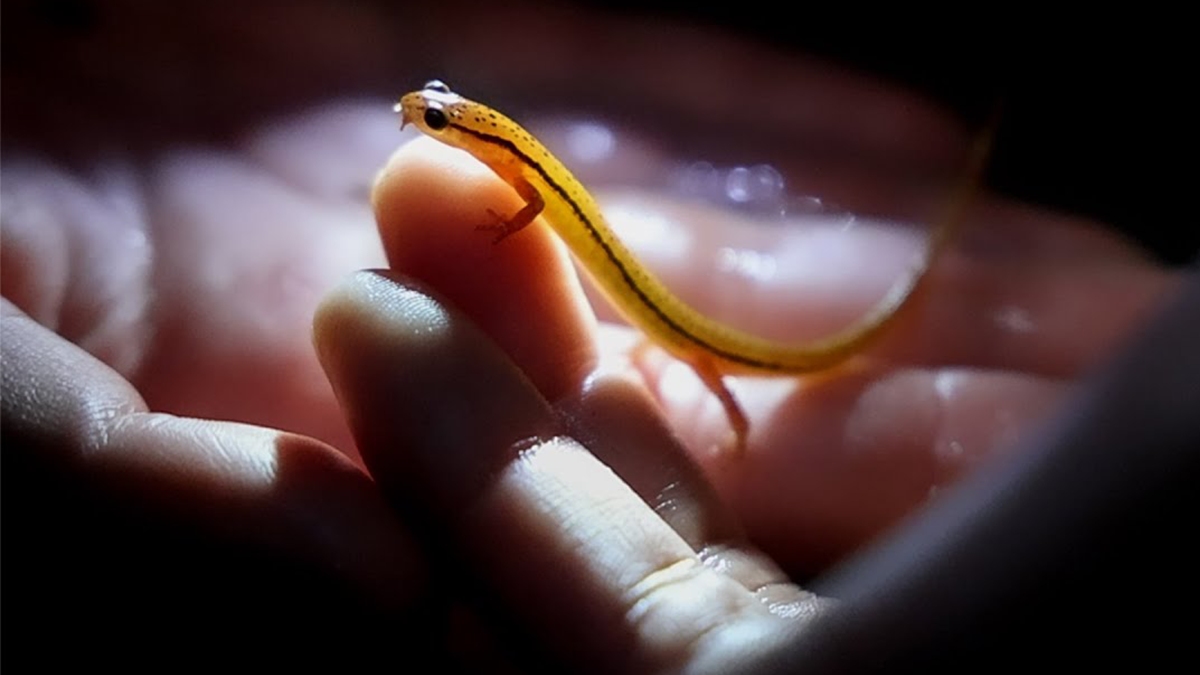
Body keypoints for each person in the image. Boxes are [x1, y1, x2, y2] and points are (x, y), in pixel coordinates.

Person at [3, 2, 1190, 670]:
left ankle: (739, 377)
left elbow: (527, 188)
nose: (420, 121)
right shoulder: (495, 155)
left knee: (718, 361)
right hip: (612, 265)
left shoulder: (504, 157)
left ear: (468, 129)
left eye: (434, 116)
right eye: (427, 116)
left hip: (678, 321)